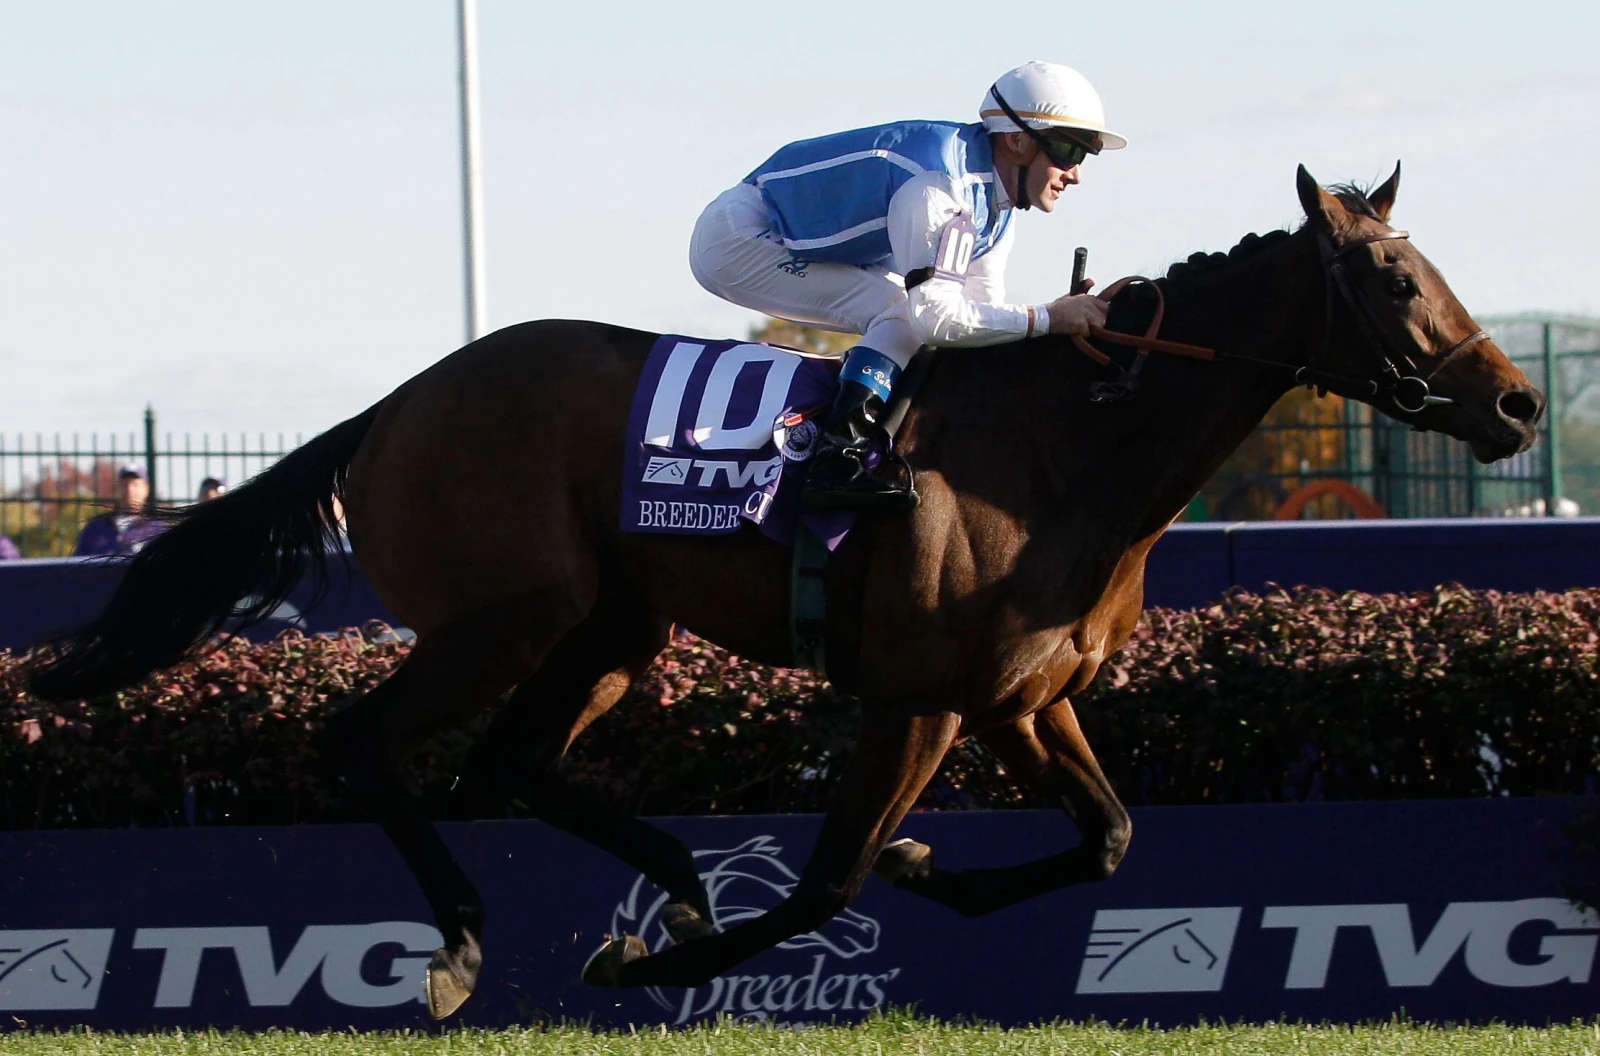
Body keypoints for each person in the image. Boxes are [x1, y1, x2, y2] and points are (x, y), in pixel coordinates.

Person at [690, 60, 1125, 509]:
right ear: (1017, 141)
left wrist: (1050, 322)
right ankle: (837, 459)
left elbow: (976, 322)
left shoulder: (996, 207)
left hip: (791, 241)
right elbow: (936, 319)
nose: (1076, 174)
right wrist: (1050, 318)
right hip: (739, 240)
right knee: (903, 313)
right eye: (1068, 152)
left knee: (914, 315)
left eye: (1083, 157)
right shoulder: (939, 187)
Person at [74, 464, 166, 556]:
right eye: (124, 484)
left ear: (146, 489)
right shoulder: (95, 527)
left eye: (135, 484)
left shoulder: (156, 530)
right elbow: (78, 565)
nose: (129, 489)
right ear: (117, 487)